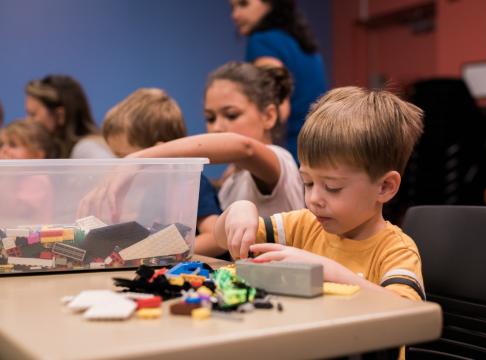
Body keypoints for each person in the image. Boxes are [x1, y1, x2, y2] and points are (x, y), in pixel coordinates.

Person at [215, 87, 426, 303]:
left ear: (385, 187)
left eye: (332, 187)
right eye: (307, 182)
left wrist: (330, 272)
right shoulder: (303, 226)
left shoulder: (396, 251)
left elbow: (409, 313)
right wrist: (238, 210)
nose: (313, 198)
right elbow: (223, 239)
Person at [129, 61, 304, 217]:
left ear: (268, 116)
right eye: (210, 118)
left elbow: (245, 149)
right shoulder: (231, 176)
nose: (216, 127)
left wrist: (139, 159)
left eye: (231, 115)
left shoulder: (279, 160)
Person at [101, 88, 223, 256]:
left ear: (159, 152)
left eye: (125, 158)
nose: (121, 168)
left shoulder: (190, 183)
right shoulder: (151, 191)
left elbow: (216, 239)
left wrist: (166, 252)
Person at [231, 0, 327, 161]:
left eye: (244, 4)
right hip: (321, 150)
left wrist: (249, 161)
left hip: (294, 155)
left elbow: (277, 105)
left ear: (271, 4)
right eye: (232, 7)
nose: (235, 15)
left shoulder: (262, 41)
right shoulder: (301, 42)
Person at [25, 75, 113, 159]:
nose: (27, 121)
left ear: (59, 115)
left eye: (33, 114)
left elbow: (117, 171)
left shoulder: (86, 148)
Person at [0, 119, 57, 223]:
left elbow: (15, 213)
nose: (4, 150)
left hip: (33, 238)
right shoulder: (9, 177)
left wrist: (8, 175)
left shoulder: (38, 180)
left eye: (13, 145)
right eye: (2, 144)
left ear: (37, 155)